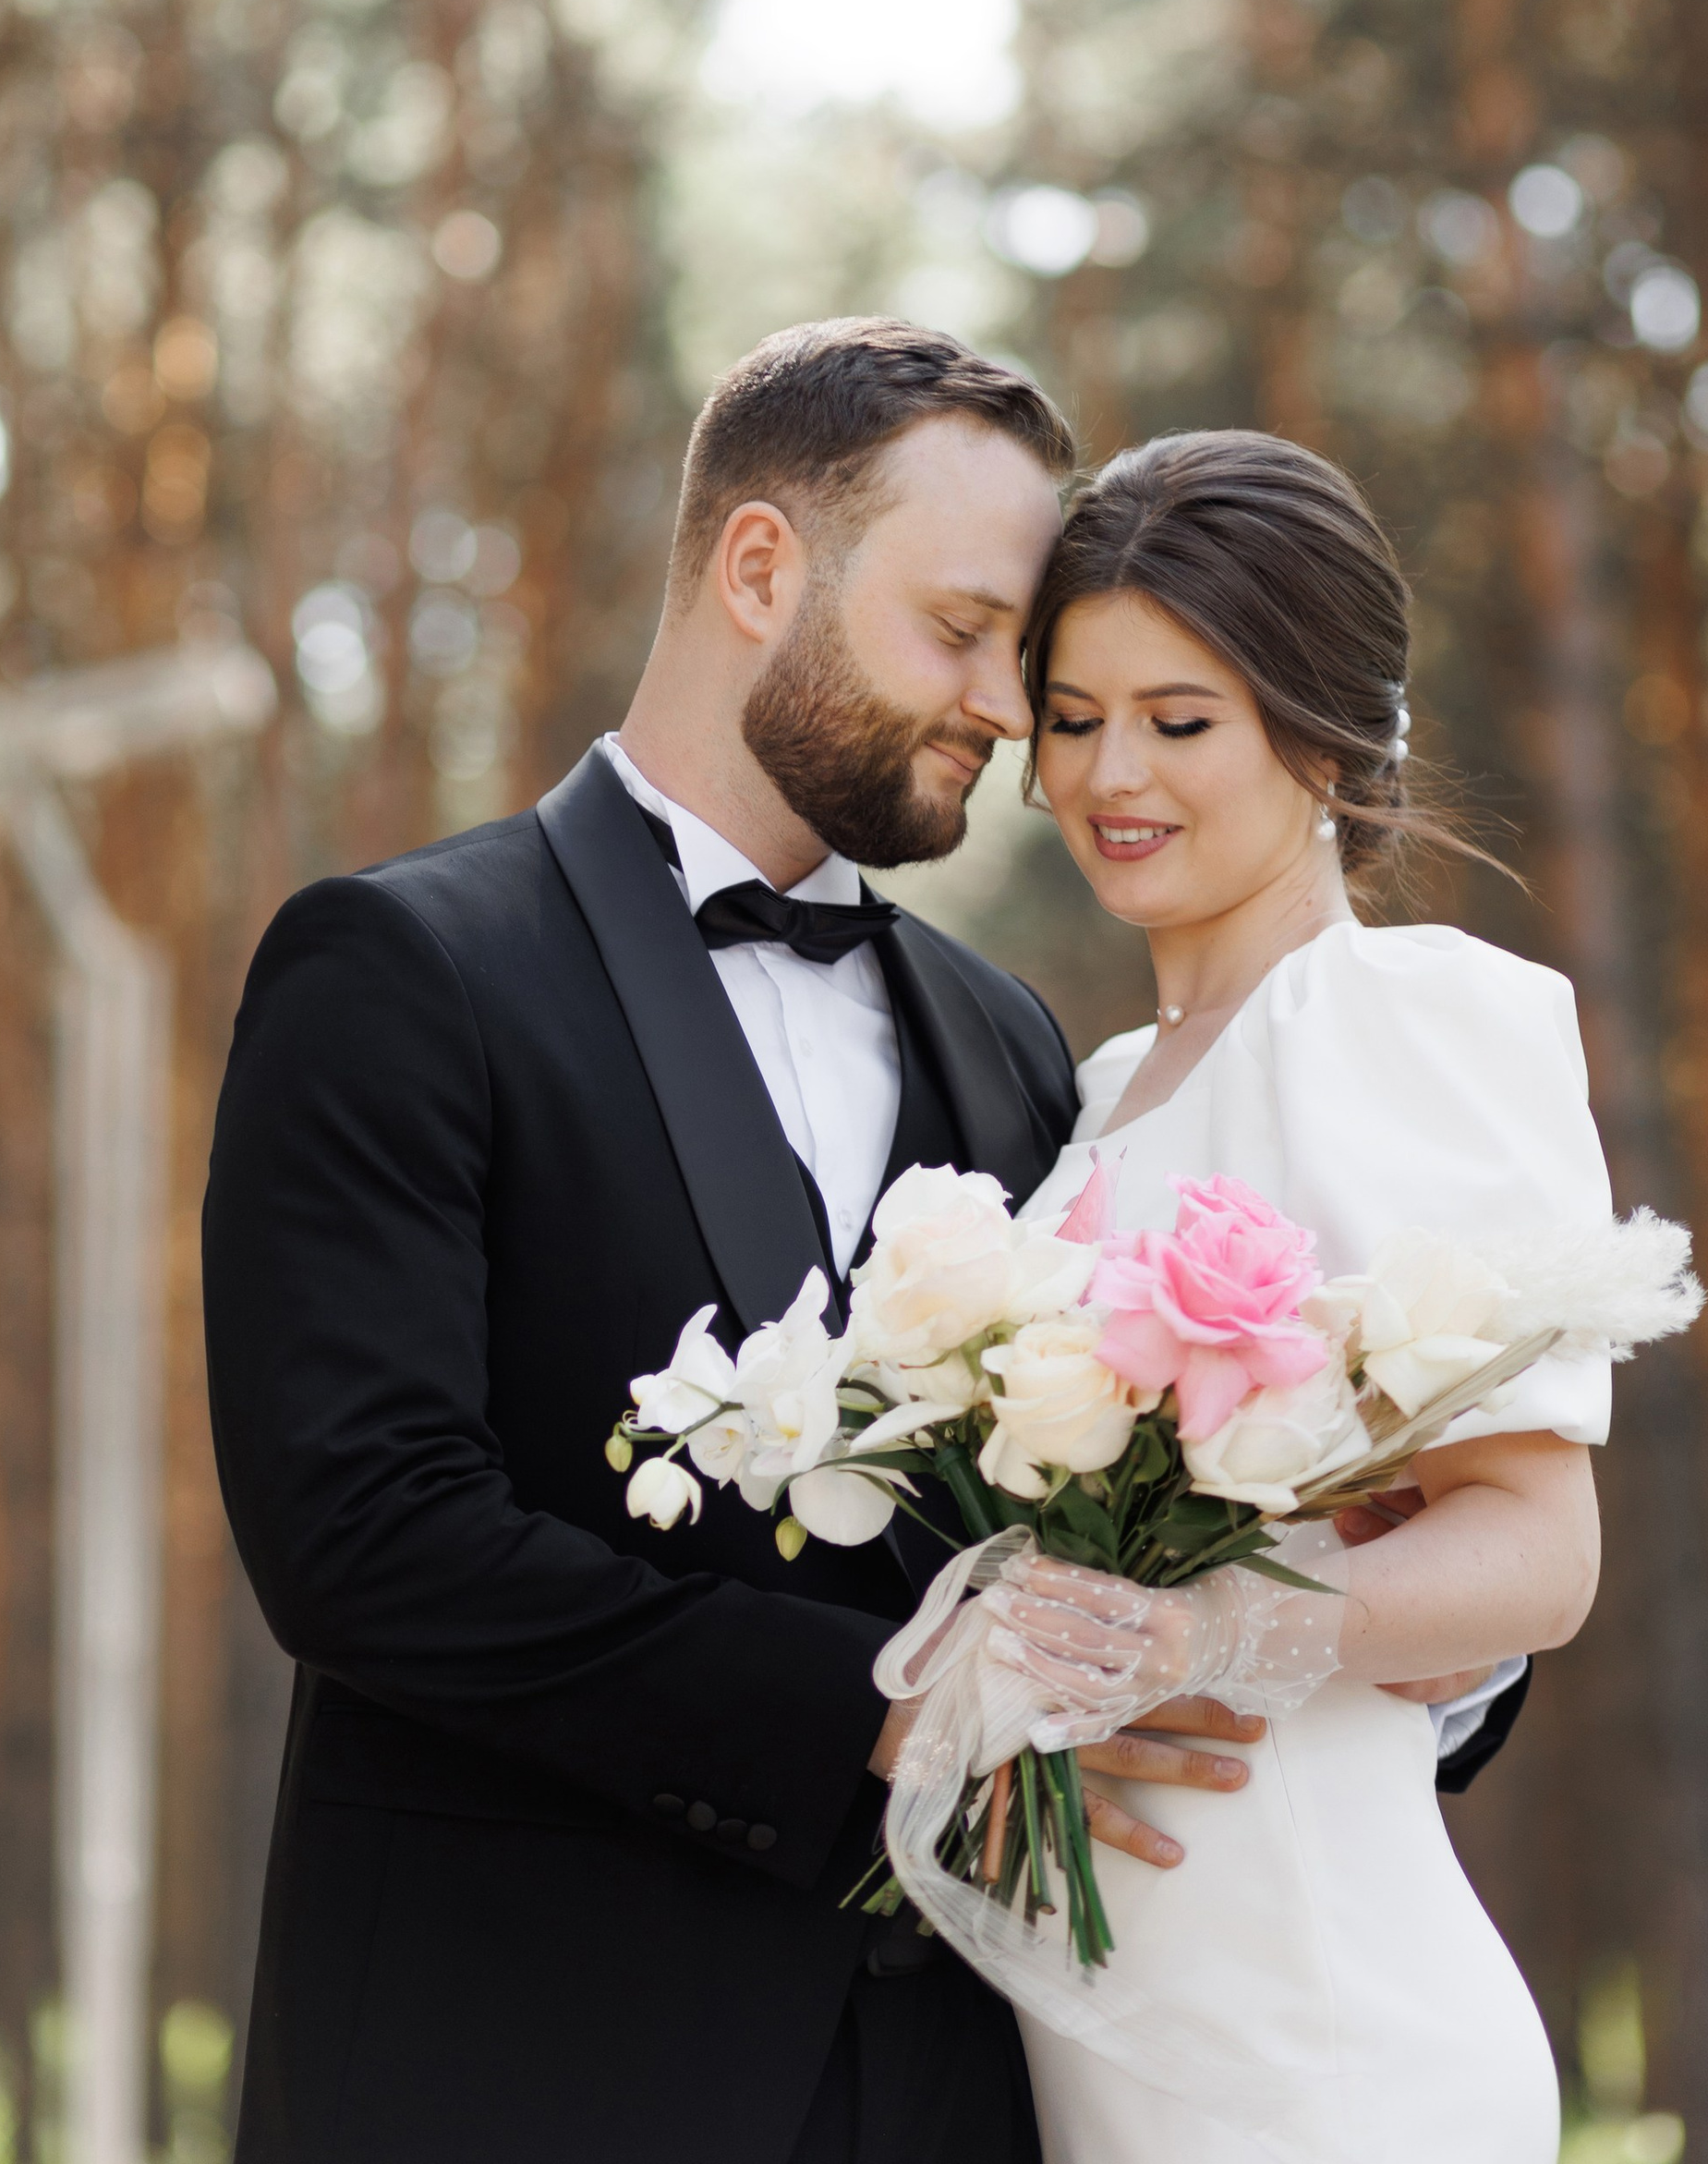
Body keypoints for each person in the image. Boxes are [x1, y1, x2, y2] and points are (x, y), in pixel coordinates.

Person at [203, 327, 1524, 2164]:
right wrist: (887, 1712)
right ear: (760, 568)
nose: (1007, 704)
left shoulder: (1010, 1046)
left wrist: (1379, 1633)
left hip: (963, 2102)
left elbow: (1130, 1526)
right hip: (517, 2075)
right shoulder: (404, 972)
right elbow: (360, 1539)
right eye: (962, 630)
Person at [973, 427, 1610, 2164]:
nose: (1117, 772)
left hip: (1325, 2028)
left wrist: (1203, 1635)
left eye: (1184, 721)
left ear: (1325, 737)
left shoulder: (1399, 1022)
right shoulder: (1104, 1092)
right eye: (1077, 713)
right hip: (1128, 2021)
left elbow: (1540, 1549)